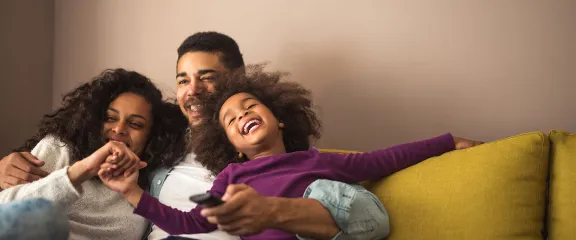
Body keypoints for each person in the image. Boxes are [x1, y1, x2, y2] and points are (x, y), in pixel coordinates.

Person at [98, 67, 483, 240]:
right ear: (231, 145)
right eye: (231, 119)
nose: (243, 114)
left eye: (250, 106)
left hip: (327, 227)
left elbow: (384, 159)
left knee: (321, 190)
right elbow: (189, 223)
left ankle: (279, 212)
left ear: (279, 119)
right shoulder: (232, 179)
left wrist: (447, 142)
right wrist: (131, 190)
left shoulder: (315, 161)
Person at [0, 68, 188, 240]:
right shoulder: (60, 149)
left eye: (135, 124)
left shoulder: (145, 185)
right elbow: (6, 212)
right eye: (110, 118)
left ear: (152, 136)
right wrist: (84, 169)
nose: (119, 129)